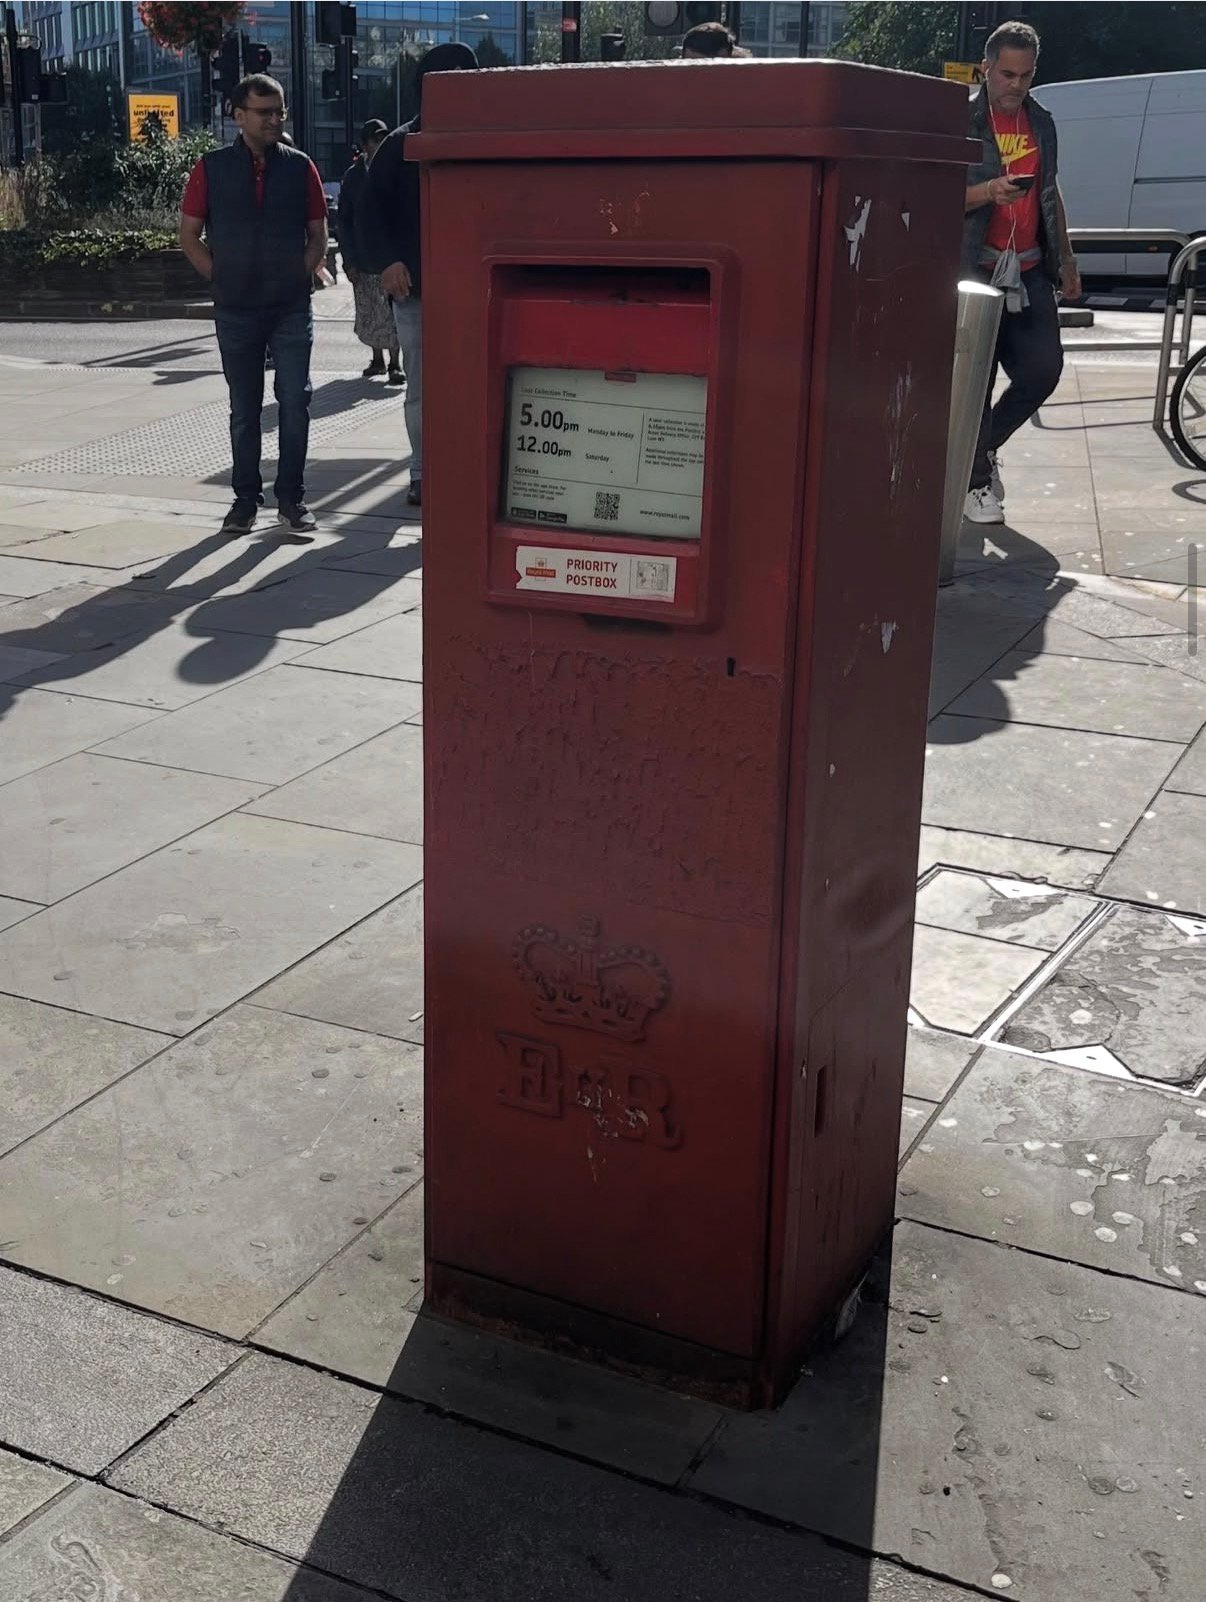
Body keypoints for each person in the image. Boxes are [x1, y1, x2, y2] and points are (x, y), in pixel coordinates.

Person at [179, 73, 329, 537]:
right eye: (264, 111)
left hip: (289, 306)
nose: (274, 119)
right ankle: (244, 502)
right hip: (236, 308)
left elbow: (318, 233)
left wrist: (300, 272)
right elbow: (188, 234)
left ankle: (292, 499)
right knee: (244, 408)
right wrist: (220, 275)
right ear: (238, 115)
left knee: (294, 402)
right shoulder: (212, 167)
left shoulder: (300, 166)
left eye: (279, 111)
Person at [962, 20, 1081, 525]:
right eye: (1006, 74)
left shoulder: (1042, 122)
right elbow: (928, 195)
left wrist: (1068, 259)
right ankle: (972, 484)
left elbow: (1050, 192)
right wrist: (989, 192)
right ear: (986, 68)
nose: (1015, 85)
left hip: (1030, 268)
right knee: (975, 383)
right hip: (973, 269)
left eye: (1025, 75)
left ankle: (977, 457)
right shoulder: (959, 120)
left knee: (1042, 371)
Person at [359, 42, 478, 509]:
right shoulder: (399, 146)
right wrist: (388, 261)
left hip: (477, 290)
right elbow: (370, 212)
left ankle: (473, 470)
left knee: (479, 387)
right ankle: (423, 470)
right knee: (423, 388)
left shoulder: (490, 137)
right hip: (419, 290)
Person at [338, 119, 403, 383]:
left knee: (393, 311)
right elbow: (344, 220)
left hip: (391, 255)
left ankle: (395, 364)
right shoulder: (353, 177)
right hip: (363, 257)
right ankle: (377, 359)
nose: (381, 144)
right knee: (369, 311)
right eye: (376, 139)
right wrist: (349, 259)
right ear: (365, 145)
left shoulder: (395, 169)